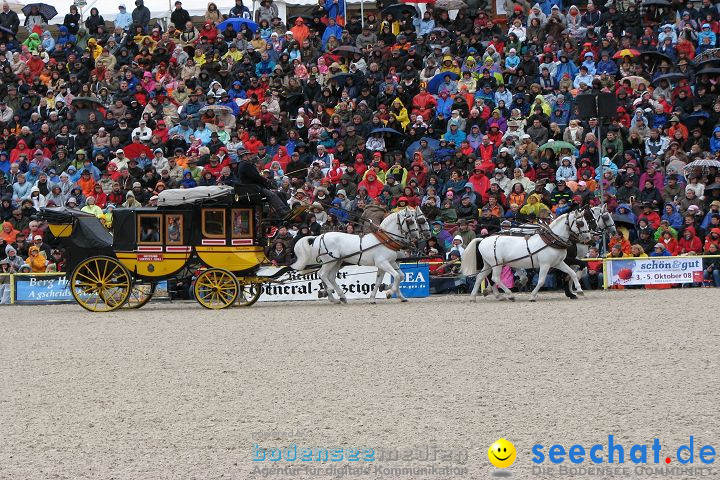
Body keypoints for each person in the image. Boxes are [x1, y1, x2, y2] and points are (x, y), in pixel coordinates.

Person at [236, 150, 290, 217]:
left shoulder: (243, 164)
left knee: (277, 193)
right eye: (248, 155)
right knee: (271, 195)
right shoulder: (246, 165)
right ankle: (282, 211)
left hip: (252, 186)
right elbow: (255, 177)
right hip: (252, 187)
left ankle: (284, 209)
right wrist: (266, 181)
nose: (250, 156)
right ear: (244, 156)